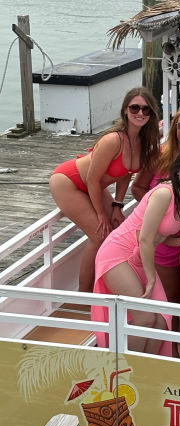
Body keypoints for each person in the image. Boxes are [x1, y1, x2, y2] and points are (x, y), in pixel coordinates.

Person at [92, 148, 180, 355]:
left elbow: (163, 238)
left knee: (162, 320)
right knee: (145, 318)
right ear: (178, 170)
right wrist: (151, 278)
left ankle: (147, 369)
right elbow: (145, 239)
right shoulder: (165, 193)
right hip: (118, 253)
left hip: (139, 257)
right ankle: (125, 370)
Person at [49, 87, 160, 292]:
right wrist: (101, 214)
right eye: (135, 107)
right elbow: (92, 179)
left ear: (152, 114)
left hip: (95, 186)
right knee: (99, 235)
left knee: (119, 231)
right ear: (125, 110)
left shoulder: (144, 143)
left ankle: (109, 285)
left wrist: (117, 205)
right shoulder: (114, 140)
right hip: (69, 182)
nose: (140, 113)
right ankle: (84, 295)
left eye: (146, 110)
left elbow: (127, 174)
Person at [131, 106, 180, 358]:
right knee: (168, 296)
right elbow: (138, 188)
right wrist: (160, 212)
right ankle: (173, 346)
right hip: (162, 237)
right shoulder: (159, 156)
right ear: (174, 128)